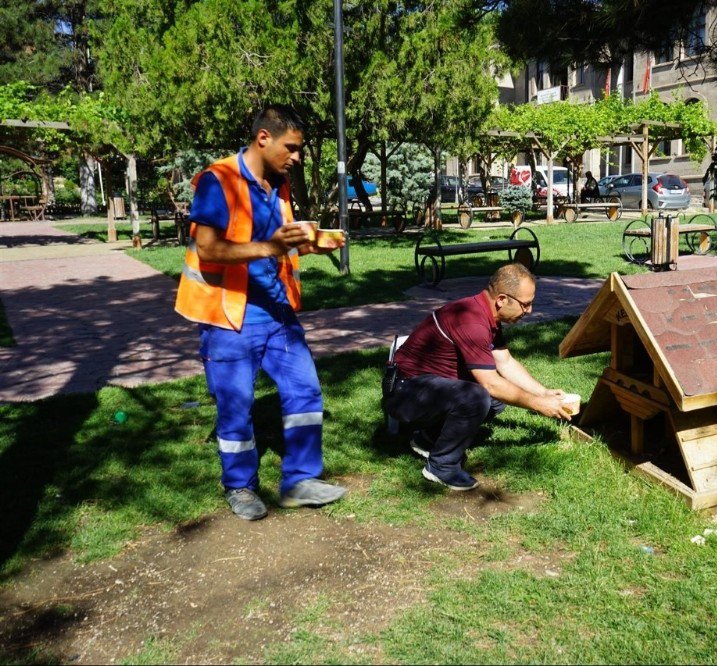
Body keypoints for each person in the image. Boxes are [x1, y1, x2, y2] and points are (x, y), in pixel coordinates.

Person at [174, 104, 348, 521]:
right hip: (229, 317)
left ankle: (300, 480)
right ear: (264, 138)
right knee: (236, 405)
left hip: (277, 313)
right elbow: (210, 249)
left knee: (305, 391)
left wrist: (312, 242)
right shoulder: (218, 181)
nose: (297, 157)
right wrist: (272, 246)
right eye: (292, 147)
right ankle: (240, 486)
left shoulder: (278, 185)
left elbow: (279, 244)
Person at [382, 263, 572, 491]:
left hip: (426, 389)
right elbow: (490, 383)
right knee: (477, 397)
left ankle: (428, 439)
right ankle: (441, 466)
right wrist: (538, 404)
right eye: (526, 304)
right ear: (502, 299)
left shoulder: (485, 314)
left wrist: (542, 392)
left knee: (495, 399)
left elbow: (505, 362)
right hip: (405, 393)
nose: (529, 311)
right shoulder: (472, 321)